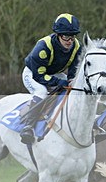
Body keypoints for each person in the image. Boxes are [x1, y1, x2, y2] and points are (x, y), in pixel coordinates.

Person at [19, 13, 83, 144]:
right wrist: (60, 82)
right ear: (58, 35)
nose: (70, 41)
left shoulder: (77, 47)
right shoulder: (43, 47)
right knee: (41, 92)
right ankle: (28, 127)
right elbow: (40, 76)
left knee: (74, 88)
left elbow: (73, 71)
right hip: (33, 73)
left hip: (53, 73)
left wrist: (71, 80)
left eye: (72, 36)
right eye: (66, 36)